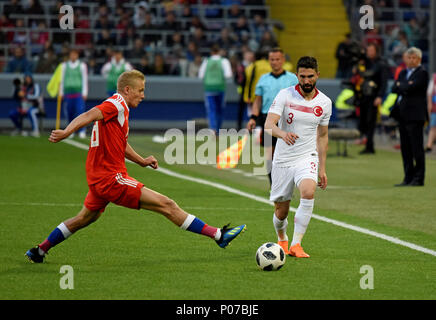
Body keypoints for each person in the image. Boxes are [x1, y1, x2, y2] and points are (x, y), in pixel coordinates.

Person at [25, 70, 246, 263]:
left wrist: (141, 160)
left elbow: (120, 143)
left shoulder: (119, 109)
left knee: (84, 218)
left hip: (99, 179)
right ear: (127, 90)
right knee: (166, 204)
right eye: (140, 90)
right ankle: (218, 235)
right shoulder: (117, 104)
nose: (143, 95)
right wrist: (66, 132)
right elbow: (88, 114)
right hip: (110, 178)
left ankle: (40, 250)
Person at [264, 56, 331, 258]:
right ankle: (282, 238)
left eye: (310, 76)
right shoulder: (285, 95)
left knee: (308, 192)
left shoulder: (325, 103)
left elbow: (323, 135)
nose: (306, 81)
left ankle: (296, 244)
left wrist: (322, 168)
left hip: (307, 156)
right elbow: (269, 125)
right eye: (302, 76)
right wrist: (283, 134)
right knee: (281, 211)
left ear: (317, 75)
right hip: (283, 159)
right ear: (297, 75)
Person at [246, 47, 298, 185]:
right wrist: (253, 117)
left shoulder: (292, 79)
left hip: (286, 120)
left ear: (283, 60)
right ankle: (274, 186)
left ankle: (286, 184)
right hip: (267, 119)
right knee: (270, 155)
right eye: (272, 59)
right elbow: (258, 101)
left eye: (277, 59)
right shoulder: (263, 79)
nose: (274, 62)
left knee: (286, 155)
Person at [391, 47, 429, 186]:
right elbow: (394, 88)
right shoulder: (403, 73)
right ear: (406, 59)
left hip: (415, 115)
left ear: (419, 59)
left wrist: (404, 86)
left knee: (416, 148)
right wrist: (405, 85)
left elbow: (412, 87)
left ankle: (419, 178)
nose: (411, 60)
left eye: (414, 58)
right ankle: (408, 177)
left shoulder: (422, 73)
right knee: (405, 148)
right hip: (402, 115)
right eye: (409, 57)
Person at [356, 43, 389, 154]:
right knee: (364, 120)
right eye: (368, 50)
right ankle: (366, 142)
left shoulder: (381, 64)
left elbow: (384, 82)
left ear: (376, 51)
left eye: (371, 50)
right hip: (365, 96)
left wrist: (380, 96)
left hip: (374, 96)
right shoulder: (368, 62)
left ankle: (370, 146)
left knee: (371, 121)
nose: (369, 53)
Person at [198, 44, 233, 134]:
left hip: (209, 88)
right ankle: (218, 129)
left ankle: (213, 129)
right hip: (220, 87)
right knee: (220, 109)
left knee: (211, 109)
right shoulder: (224, 61)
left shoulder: (206, 61)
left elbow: (201, 75)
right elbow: (228, 75)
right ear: (219, 51)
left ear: (211, 52)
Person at [59, 49, 88, 139]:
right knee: (69, 112)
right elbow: (62, 79)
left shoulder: (82, 66)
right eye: (71, 54)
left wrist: (84, 92)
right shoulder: (64, 66)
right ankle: (70, 131)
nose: (73, 56)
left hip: (78, 93)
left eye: (75, 54)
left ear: (77, 55)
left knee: (80, 112)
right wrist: (61, 92)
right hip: (68, 93)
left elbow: (84, 79)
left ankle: (82, 130)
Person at [425, 72, 436, 153]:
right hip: (434, 108)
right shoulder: (434, 78)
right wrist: (429, 104)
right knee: (433, 127)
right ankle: (429, 145)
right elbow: (429, 92)